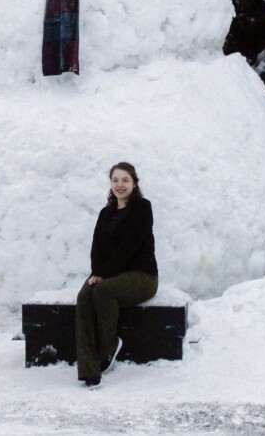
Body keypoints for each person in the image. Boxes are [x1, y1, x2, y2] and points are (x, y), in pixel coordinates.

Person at [75, 161, 158, 387]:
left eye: (125, 180)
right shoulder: (106, 213)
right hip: (107, 273)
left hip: (141, 276)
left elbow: (128, 248)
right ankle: (89, 369)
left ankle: (109, 347)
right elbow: (96, 248)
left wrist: (103, 274)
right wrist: (96, 271)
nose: (120, 185)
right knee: (84, 296)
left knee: (102, 291)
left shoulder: (142, 208)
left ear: (134, 183)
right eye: (115, 180)